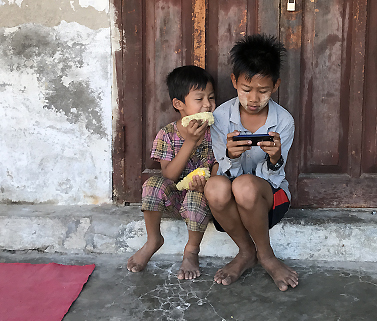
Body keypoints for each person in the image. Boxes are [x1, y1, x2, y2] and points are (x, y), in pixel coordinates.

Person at [206, 34, 298, 291]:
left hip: (269, 200)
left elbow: (274, 179)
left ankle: (267, 256)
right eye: (247, 90)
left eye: (263, 91)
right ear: (234, 82)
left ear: (275, 85)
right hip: (233, 204)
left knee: (245, 185)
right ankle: (246, 252)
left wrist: (275, 158)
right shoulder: (221, 117)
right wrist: (232, 157)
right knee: (215, 186)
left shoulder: (283, 122)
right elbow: (222, 169)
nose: (254, 99)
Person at [127, 65, 217, 280]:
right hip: (174, 198)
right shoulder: (167, 134)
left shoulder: (217, 132)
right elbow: (168, 176)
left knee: (196, 197)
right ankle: (153, 240)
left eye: (211, 98)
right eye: (199, 99)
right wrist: (191, 142)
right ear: (179, 104)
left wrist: (209, 182)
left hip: (204, 199)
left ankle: (191, 251)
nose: (208, 104)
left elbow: (219, 166)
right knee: (152, 184)